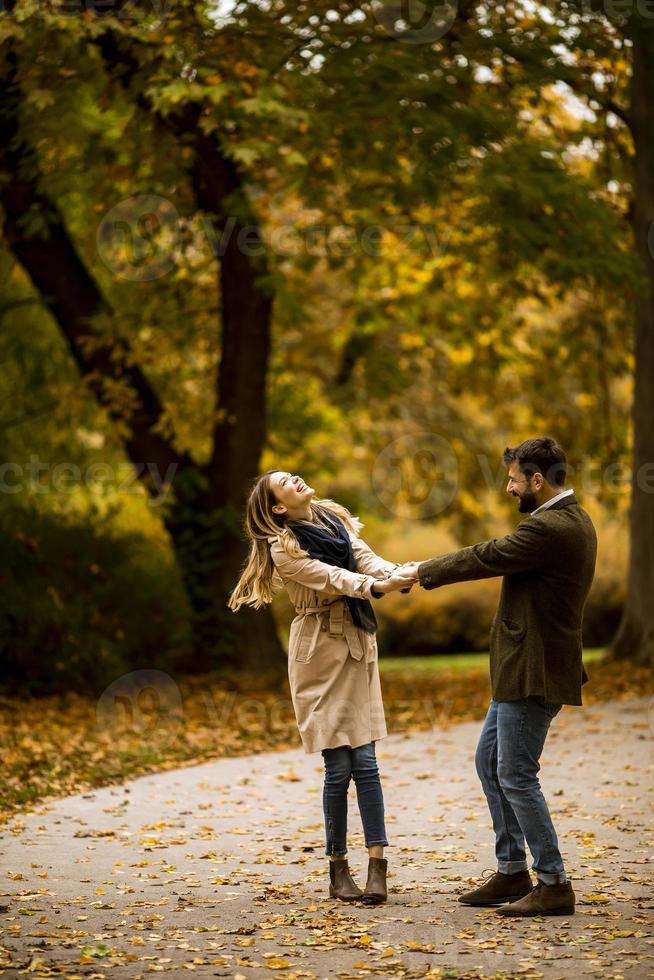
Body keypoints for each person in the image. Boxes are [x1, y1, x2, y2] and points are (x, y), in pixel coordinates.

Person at [417, 437, 597, 917]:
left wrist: (419, 571)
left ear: (538, 481)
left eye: (515, 480)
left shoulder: (552, 528)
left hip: (534, 671)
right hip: (522, 667)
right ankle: (512, 869)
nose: (508, 487)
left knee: (516, 774)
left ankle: (554, 881)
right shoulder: (562, 519)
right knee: (490, 762)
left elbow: (486, 555)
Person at [229, 469, 416, 904]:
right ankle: (338, 870)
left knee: (366, 763)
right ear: (277, 507)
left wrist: (396, 572)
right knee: (339, 767)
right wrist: (377, 586)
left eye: (293, 474)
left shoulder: (333, 518)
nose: (294, 478)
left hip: (357, 642)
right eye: (284, 482)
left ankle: (377, 868)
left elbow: (363, 558)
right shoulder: (284, 548)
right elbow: (335, 578)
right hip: (318, 654)